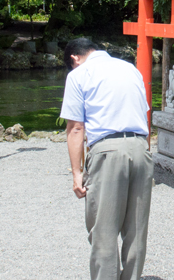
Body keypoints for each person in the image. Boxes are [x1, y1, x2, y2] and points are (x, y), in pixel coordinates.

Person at [60, 38, 153, 280]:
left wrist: (76, 172)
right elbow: (145, 114)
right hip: (140, 148)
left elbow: (76, 128)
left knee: (104, 231)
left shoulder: (79, 75)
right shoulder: (130, 69)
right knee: (136, 231)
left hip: (107, 151)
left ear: (74, 58)